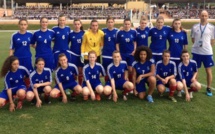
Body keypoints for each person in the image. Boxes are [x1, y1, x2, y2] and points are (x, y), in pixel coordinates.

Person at [191, 10, 215, 96]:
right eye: (202, 15)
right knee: (195, 70)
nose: (204, 17)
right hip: (196, 52)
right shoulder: (195, 27)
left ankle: (208, 88)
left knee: (208, 71)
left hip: (207, 53)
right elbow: (193, 39)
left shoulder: (212, 27)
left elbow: (212, 41)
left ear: (208, 16)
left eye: (205, 15)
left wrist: (206, 47)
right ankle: (195, 86)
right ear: (199, 16)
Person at [116, 18, 137, 83]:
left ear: (130, 24)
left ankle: (131, 83)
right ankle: (125, 84)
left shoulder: (133, 32)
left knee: (130, 69)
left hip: (131, 54)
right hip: (122, 54)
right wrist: (118, 53)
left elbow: (135, 42)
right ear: (123, 24)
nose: (127, 25)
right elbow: (117, 44)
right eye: (125, 24)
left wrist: (134, 50)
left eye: (128, 24)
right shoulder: (119, 32)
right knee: (124, 69)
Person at [102, 17, 118, 81]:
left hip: (114, 54)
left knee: (115, 69)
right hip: (105, 53)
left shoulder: (117, 31)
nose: (110, 23)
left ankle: (115, 83)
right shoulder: (103, 30)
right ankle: (107, 83)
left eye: (111, 22)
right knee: (106, 70)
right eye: (109, 22)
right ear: (106, 23)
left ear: (114, 23)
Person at [69, 18, 85, 85]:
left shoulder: (84, 33)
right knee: (73, 71)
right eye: (75, 24)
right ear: (73, 25)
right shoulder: (71, 34)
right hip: (73, 54)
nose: (77, 25)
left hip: (81, 55)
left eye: (78, 24)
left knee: (80, 71)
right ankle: (74, 85)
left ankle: (80, 85)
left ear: (80, 25)